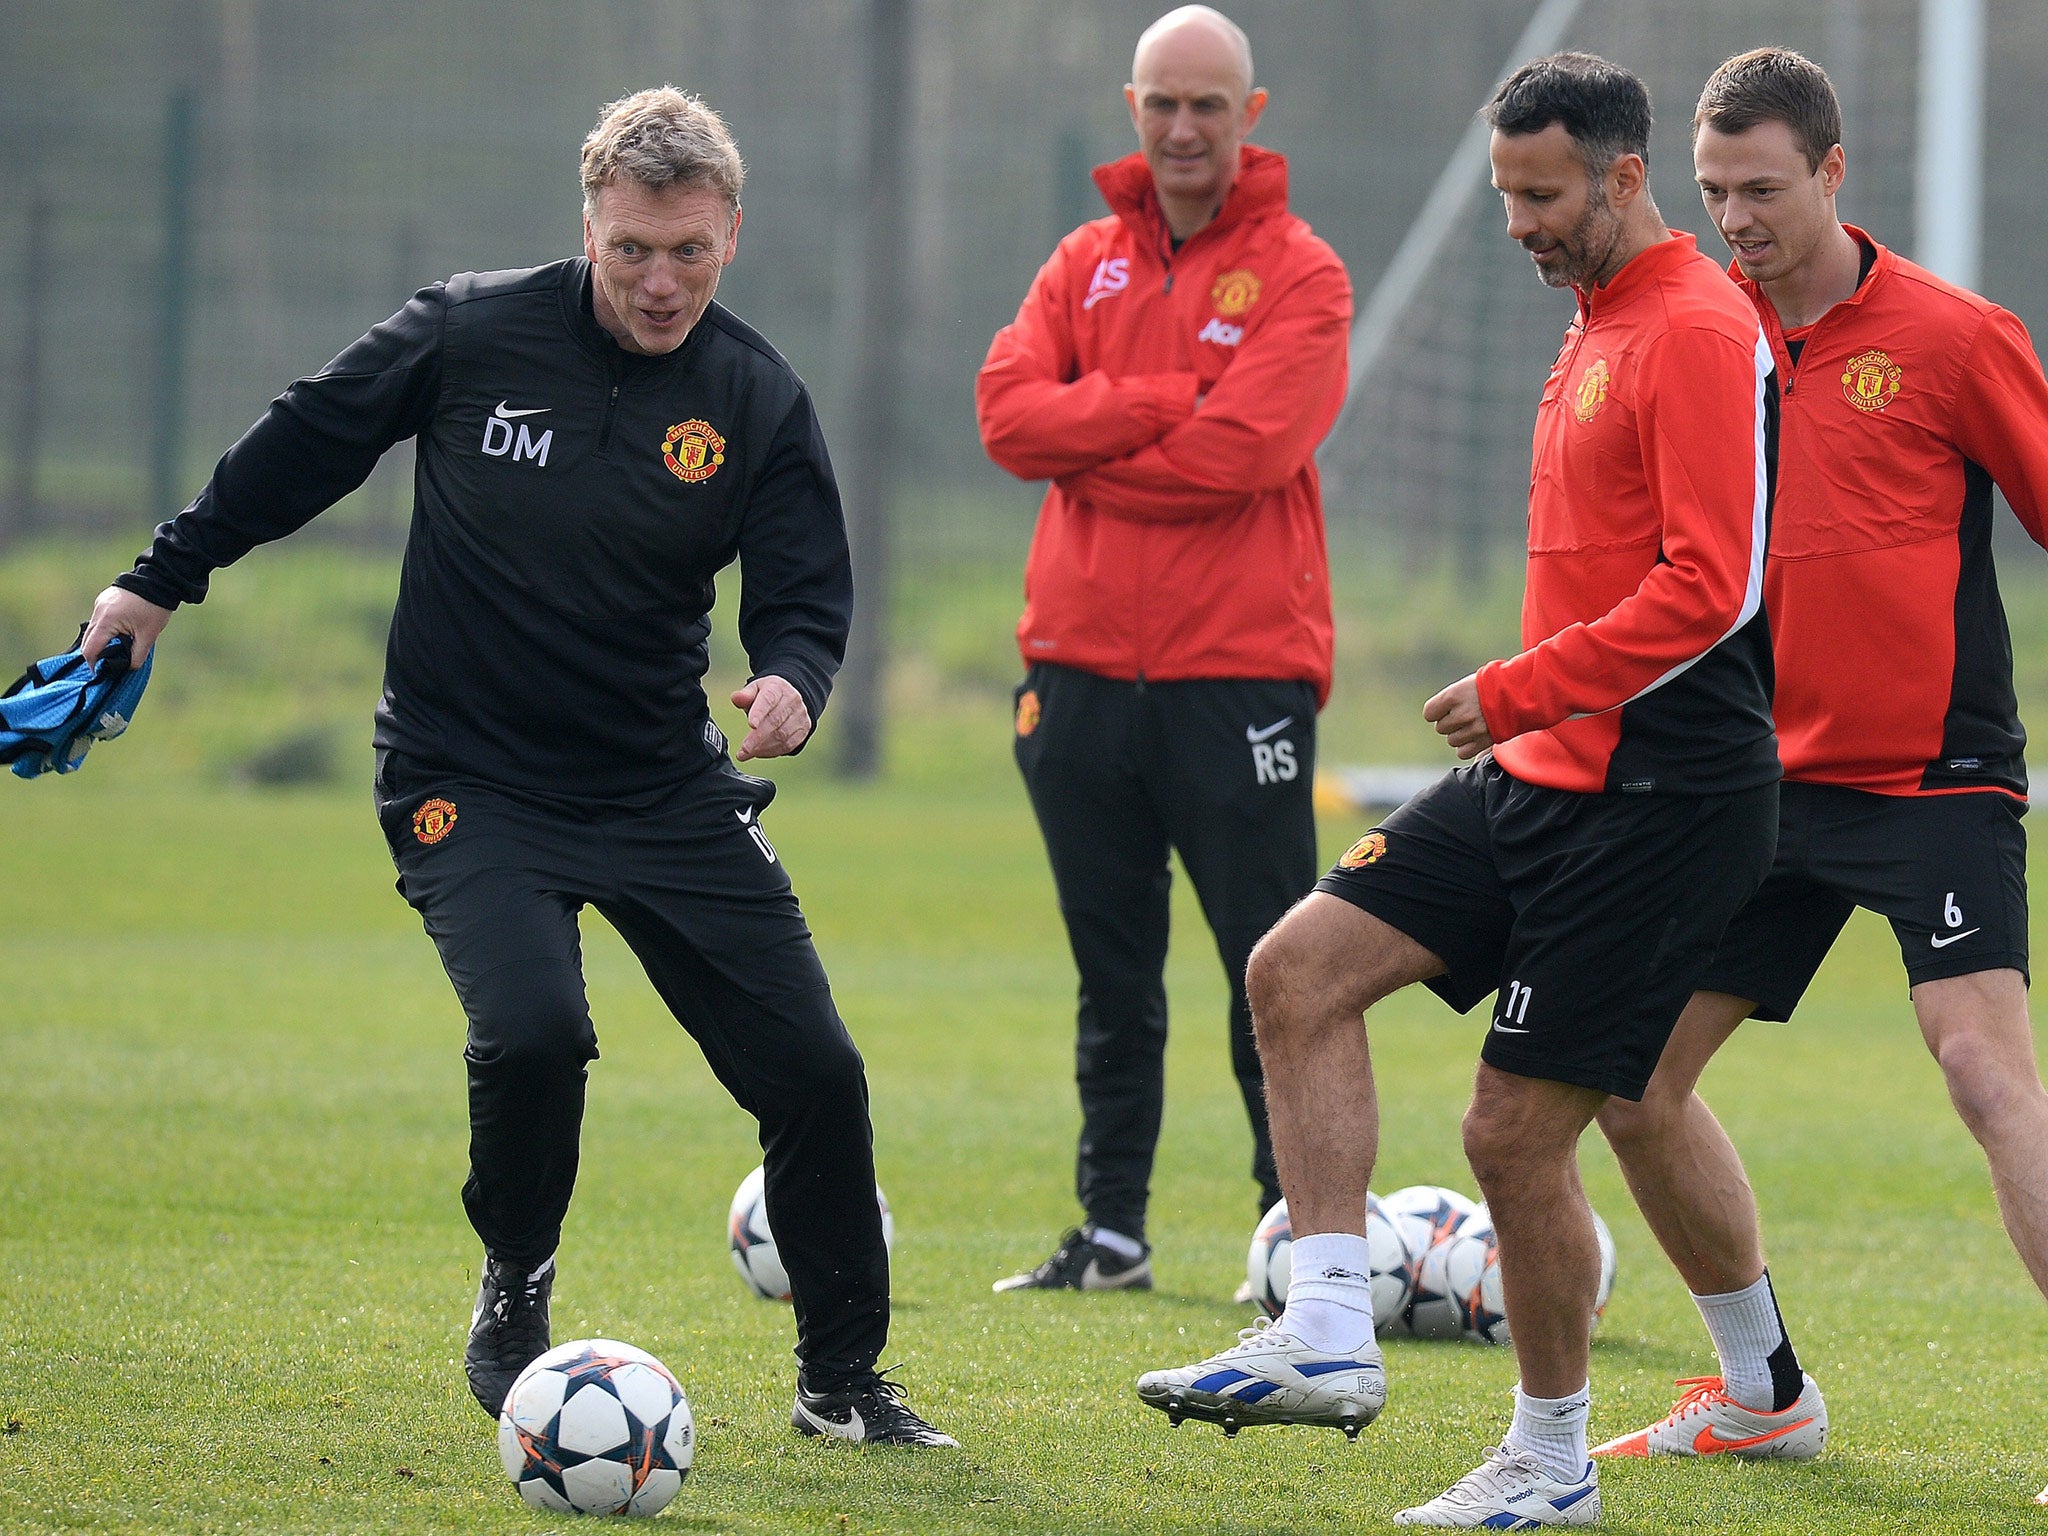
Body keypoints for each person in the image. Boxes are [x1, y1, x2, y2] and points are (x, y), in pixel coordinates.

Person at [78, 87, 954, 1448]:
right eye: (632, 253)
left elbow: (802, 593)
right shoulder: (467, 331)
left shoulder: (754, 397)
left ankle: (842, 1383)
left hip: (662, 786)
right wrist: (157, 582)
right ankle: (518, 1277)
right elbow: (304, 442)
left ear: (733, 233)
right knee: (538, 1030)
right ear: (587, 227)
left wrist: (794, 677)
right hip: (465, 778)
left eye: (691, 254)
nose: (662, 283)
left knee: (816, 1074)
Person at [1137, 53, 1781, 1527]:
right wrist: (1530, 706)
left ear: (1626, 177)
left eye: (1543, 195)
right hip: (1550, 771)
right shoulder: (1596, 321)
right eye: (1504, 195)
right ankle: (1325, 1332)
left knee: (1514, 1131)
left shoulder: (1689, 323)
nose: (1518, 224)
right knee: (1297, 971)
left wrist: (1520, 686)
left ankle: (1551, 1463)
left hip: (1660, 794)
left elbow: (1716, 583)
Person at [1588, 49, 2048, 1491]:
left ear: (1835, 175)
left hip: (1935, 777)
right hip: (1755, 788)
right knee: (1626, 1078)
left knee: (1983, 1075)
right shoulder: (1699, 334)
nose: (1736, 219)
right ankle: (1761, 1390)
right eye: (1714, 192)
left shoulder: (1956, 337)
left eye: (1764, 189)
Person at [974, 4, 1350, 1295]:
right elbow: (1007, 419)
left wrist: (1099, 445)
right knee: (1111, 977)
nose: (1183, 128)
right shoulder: (1082, 262)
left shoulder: (1304, 274)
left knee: (1278, 969)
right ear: (1131, 108)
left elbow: (1249, 453)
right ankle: (1114, 1234)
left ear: (1252, 117)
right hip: (1074, 676)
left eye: (1209, 105)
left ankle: (1295, 1241)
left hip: (1238, 678)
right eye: (1162, 103)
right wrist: (1161, 401)